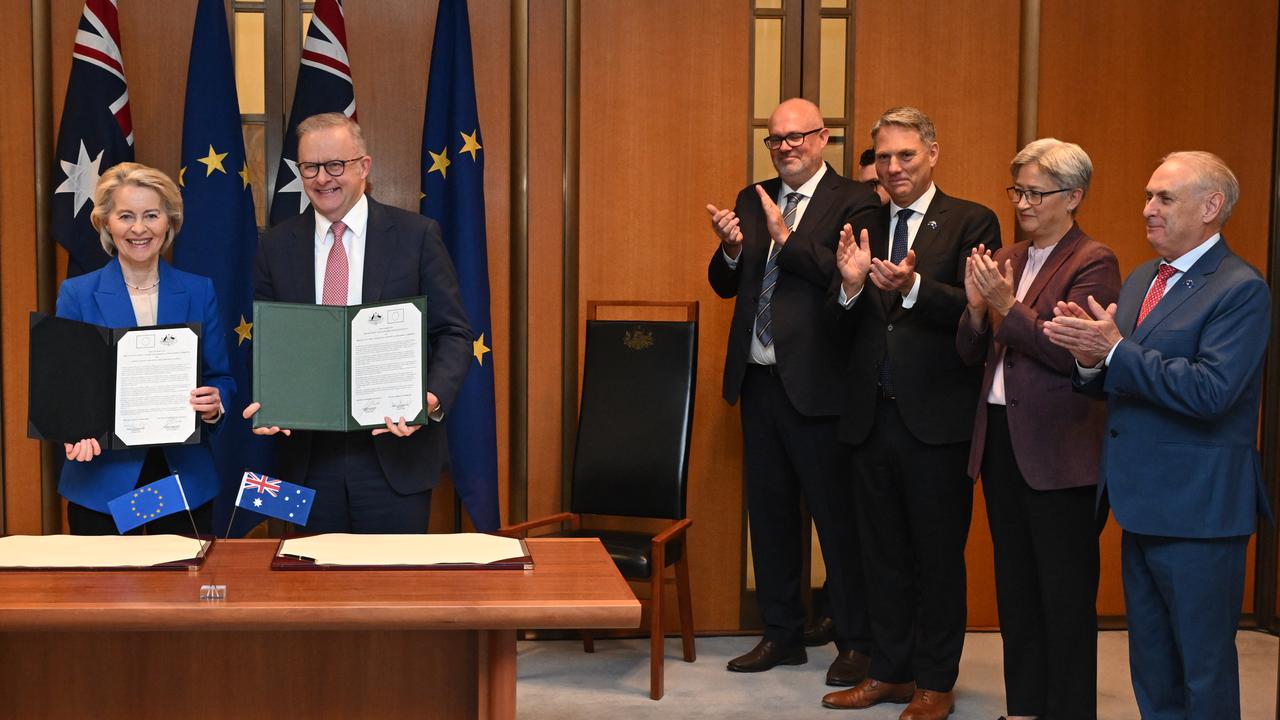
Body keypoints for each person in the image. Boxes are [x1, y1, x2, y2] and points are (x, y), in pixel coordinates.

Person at [1044, 151, 1271, 719]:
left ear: (1211, 207)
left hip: (1199, 508)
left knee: (1202, 665)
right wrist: (1091, 363)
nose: (1147, 209)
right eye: (1148, 196)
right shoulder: (1146, 275)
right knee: (1151, 661)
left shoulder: (1241, 289)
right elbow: (1125, 380)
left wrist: (1115, 351)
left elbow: (1211, 392)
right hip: (1140, 502)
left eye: (1163, 198)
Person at [822, 106, 1000, 719]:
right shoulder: (863, 219)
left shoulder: (972, 220)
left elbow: (976, 311)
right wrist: (847, 287)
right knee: (882, 555)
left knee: (936, 559)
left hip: (937, 424)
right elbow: (837, 329)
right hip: (870, 419)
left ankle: (935, 681)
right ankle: (890, 672)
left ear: (932, 153)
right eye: (884, 157)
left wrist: (914, 288)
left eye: (906, 155)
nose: (894, 167)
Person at [707, 97, 880, 687]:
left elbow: (844, 279)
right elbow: (728, 284)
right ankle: (781, 633)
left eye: (797, 137)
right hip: (759, 380)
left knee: (836, 519)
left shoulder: (855, 199)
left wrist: (787, 239)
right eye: (776, 139)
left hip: (820, 387)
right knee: (772, 515)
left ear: (822, 138)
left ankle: (856, 640)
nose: (785, 147)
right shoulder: (751, 197)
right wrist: (731, 249)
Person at [245, 113, 473, 533]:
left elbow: (453, 333)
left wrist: (431, 398)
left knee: (391, 590)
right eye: (310, 167)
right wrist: (271, 398)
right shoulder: (276, 245)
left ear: (363, 167)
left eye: (336, 165)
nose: (322, 179)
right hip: (307, 459)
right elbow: (270, 339)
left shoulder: (416, 235)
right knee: (311, 587)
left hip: (395, 455)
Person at [955, 139, 1120, 720]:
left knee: (1064, 594)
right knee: (1017, 589)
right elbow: (973, 350)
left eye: (1035, 192)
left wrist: (1008, 306)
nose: (1023, 203)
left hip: (1059, 451)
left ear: (1073, 197)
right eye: (1017, 190)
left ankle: (1069, 711)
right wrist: (977, 310)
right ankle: (1024, 707)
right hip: (1000, 440)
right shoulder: (1005, 256)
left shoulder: (1093, 261)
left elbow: (1073, 352)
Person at [56, 162, 233, 535]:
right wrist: (73, 428)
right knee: (105, 593)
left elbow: (221, 377)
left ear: (168, 222)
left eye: (151, 215)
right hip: (102, 483)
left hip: (183, 482)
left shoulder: (199, 291)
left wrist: (215, 404)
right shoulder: (77, 294)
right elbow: (65, 390)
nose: (139, 229)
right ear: (106, 223)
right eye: (126, 216)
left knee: (182, 592)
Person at [803, 147, 890, 650]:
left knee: (880, 532)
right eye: (866, 187)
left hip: (908, 406)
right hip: (845, 398)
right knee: (845, 519)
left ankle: (878, 640)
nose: (872, 197)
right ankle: (843, 616)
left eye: (876, 188)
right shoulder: (851, 241)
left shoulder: (904, 239)